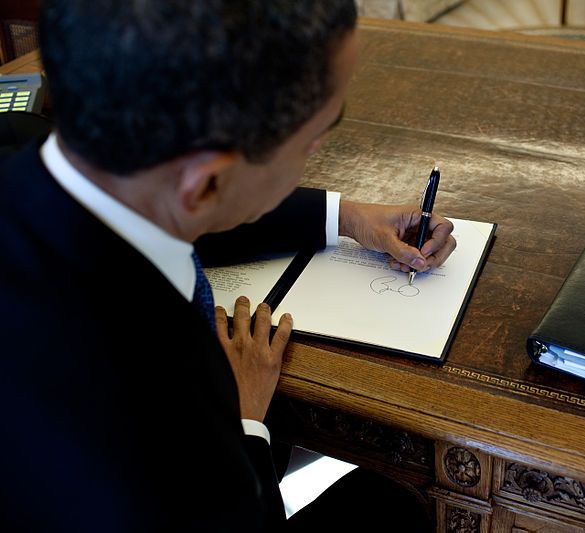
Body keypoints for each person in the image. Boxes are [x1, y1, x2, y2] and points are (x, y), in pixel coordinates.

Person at [0, 0, 456, 531]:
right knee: (394, 506)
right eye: (320, 135)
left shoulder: (25, 140)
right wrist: (241, 422)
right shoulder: (151, 466)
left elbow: (174, 193)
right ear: (208, 183)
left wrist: (345, 217)